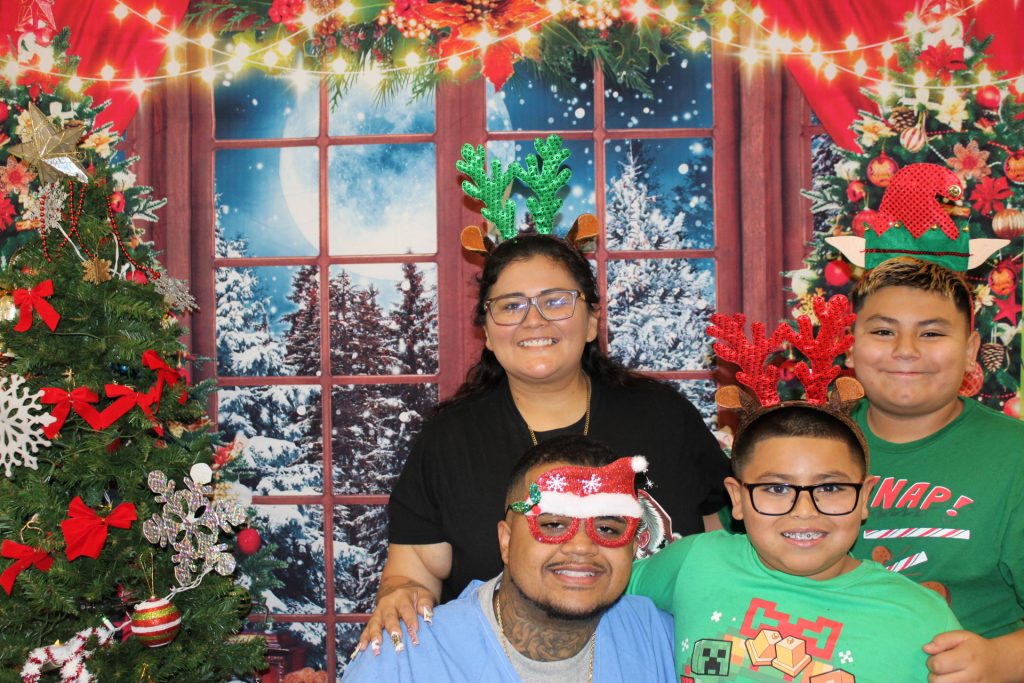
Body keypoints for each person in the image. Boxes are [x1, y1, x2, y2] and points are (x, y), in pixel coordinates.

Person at [357, 232, 731, 654]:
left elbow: (722, 546)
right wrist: (401, 592)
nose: (533, 321)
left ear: (591, 320)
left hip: (656, 660)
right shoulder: (449, 439)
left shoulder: (664, 417)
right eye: (511, 306)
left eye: (555, 301)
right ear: (487, 331)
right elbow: (416, 570)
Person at [628, 403, 962, 681]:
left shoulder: (923, 617)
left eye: (830, 488)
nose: (804, 511)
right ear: (738, 499)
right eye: (776, 489)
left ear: (864, 498)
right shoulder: (695, 562)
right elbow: (599, 590)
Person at [342, 436, 678, 682]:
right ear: (506, 541)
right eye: (553, 524)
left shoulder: (665, 642)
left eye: (607, 528)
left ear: (633, 547)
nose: (582, 546)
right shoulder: (404, 661)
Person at [846, 257, 1024, 682]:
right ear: (851, 345)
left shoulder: (1014, 456)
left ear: (969, 350)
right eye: (883, 331)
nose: (906, 350)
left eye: (932, 333)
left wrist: (999, 661)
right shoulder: (798, 444)